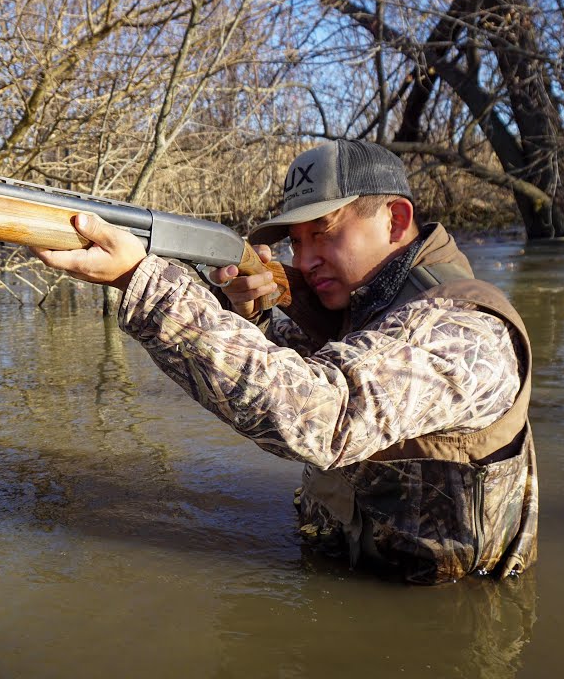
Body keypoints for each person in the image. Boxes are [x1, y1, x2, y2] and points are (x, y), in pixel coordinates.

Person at [32, 139, 538, 584]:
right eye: (295, 241)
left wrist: (145, 283)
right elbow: (278, 367)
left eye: (324, 232)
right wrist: (250, 315)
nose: (306, 257)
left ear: (396, 220)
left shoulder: (463, 328)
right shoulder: (362, 306)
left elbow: (324, 417)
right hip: (342, 589)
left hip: (444, 628)